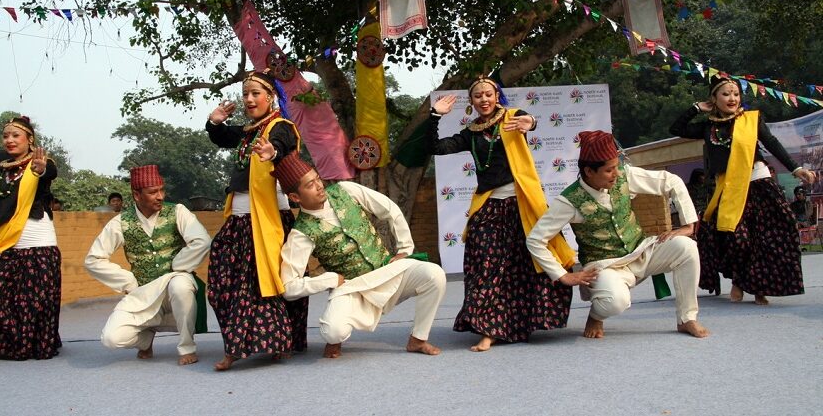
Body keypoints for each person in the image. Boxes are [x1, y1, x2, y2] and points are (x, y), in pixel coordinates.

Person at [426, 76, 576, 352]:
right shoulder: (470, 133)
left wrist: (530, 123)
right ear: (471, 102)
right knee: (485, 266)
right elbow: (436, 147)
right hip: (489, 205)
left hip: (522, 205)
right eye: (477, 96)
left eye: (488, 94)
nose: (484, 99)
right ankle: (488, 329)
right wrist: (435, 116)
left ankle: (517, 325)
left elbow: (528, 120)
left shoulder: (512, 117)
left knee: (526, 265)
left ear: (497, 96)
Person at [526, 130, 709, 339]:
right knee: (616, 301)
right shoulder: (569, 201)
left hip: (641, 251)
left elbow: (671, 181)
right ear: (589, 171)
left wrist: (688, 224)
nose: (617, 173)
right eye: (609, 170)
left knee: (686, 248)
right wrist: (562, 276)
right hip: (605, 267)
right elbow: (535, 239)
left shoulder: (625, 176)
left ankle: (687, 319)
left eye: (616, 167)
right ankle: (596, 315)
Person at [273, 154, 446, 358]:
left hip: (387, 271)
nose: (319, 186)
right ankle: (335, 340)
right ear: (295, 197)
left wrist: (404, 250)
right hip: (353, 288)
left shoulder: (345, 190)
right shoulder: (301, 233)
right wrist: (327, 280)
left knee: (434, 275)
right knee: (332, 330)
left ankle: (418, 339)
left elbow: (390, 209)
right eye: (310, 185)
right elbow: (289, 287)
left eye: (317, 178)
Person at [670, 74, 816, 305]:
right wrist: (696, 108)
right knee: (737, 239)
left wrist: (796, 169)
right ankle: (739, 280)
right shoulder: (708, 126)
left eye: (736, 94)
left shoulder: (751, 120)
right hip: (728, 190)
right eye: (726, 94)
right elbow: (676, 128)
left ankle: (760, 287)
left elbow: (772, 144)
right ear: (714, 98)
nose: (732, 98)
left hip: (759, 184)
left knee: (769, 236)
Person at [204, 70, 308, 371]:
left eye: (255, 94)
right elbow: (223, 138)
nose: (249, 100)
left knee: (263, 283)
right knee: (223, 283)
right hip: (238, 219)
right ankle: (261, 341)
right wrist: (215, 121)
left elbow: (281, 145)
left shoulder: (281, 128)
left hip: (268, 219)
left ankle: (257, 345)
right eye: (246, 94)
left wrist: (271, 151)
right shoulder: (248, 131)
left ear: (270, 96)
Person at [85, 165, 211, 366]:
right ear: (136, 195)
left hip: (173, 284)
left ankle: (187, 346)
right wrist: (127, 281)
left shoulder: (177, 211)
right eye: (153, 192)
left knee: (181, 285)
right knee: (111, 338)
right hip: (143, 292)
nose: (160, 196)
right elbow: (93, 259)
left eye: (162, 190)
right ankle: (145, 339)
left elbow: (202, 241)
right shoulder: (121, 222)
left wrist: (179, 265)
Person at [0, 116, 61, 363]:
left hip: (37, 243)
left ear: (30, 140)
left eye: (15, 135)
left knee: (33, 303)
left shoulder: (41, 163)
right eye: (6, 135)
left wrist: (39, 170)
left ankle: (26, 345)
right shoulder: (0, 169)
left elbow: (48, 172)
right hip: (6, 243)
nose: (9, 140)